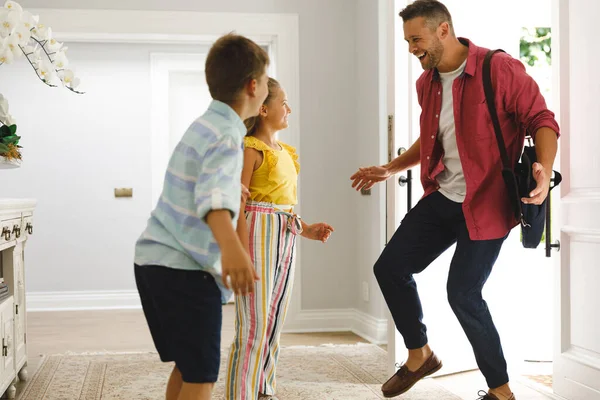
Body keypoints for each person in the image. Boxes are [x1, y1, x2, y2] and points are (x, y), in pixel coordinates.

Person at [350, 1, 560, 399]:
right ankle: (420, 355)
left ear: (443, 30)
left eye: (417, 39)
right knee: (390, 268)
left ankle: (500, 392)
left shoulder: (497, 69)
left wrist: (544, 168)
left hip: (488, 202)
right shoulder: (426, 83)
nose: (412, 47)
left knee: (462, 294)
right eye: (408, 40)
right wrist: (391, 168)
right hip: (444, 196)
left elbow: (541, 119)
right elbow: (433, 138)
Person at [133, 33, 270, 400]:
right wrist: (234, 251)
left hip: (153, 262)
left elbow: (202, 190)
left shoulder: (202, 125)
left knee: (188, 365)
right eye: (265, 84)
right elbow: (213, 201)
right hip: (184, 271)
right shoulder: (228, 135)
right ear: (253, 85)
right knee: (202, 376)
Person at [226, 77, 334, 400]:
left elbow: (281, 205)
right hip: (256, 232)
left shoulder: (285, 152)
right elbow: (240, 202)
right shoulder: (250, 150)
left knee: (273, 321)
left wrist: (308, 229)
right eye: (283, 102)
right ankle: (240, 394)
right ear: (262, 109)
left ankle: (263, 389)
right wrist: (241, 253)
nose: (289, 108)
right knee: (254, 323)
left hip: (284, 234)